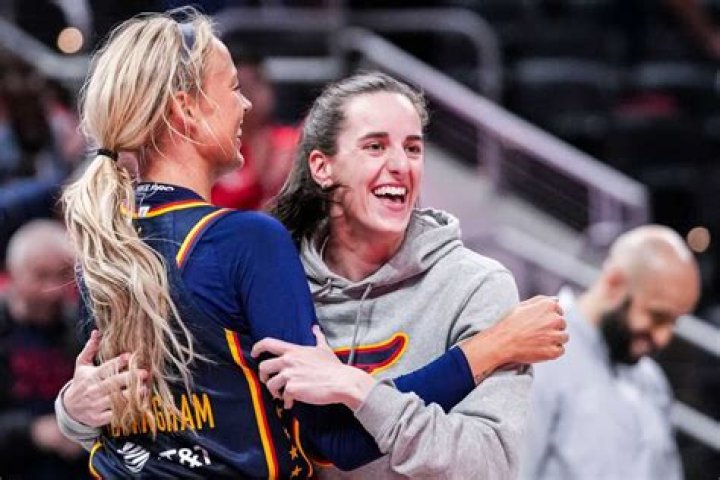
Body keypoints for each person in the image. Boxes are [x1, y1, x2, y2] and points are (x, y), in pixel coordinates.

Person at [55, 9, 567, 479]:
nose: (246, 103)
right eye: (232, 87)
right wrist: (488, 348)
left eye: (414, 147)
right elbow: (336, 439)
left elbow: (124, 423)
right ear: (186, 109)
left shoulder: (105, 244)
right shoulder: (248, 242)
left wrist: (70, 413)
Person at [518, 225, 701, 480]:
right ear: (614, 283)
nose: (663, 337)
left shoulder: (653, 382)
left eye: (674, 322)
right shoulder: (542, 357)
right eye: (657, 316)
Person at [0, 219, 85, 479]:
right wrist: (32, 431)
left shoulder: (81, 326)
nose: (52, 290)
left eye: (63, 275)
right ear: (13, 273)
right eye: (40, 276)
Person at [211, 45, 299, 210]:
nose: (256, 95)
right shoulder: (215, 153)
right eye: (244, 88)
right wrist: (258, 179)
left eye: (260, 82)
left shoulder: (292, 143)